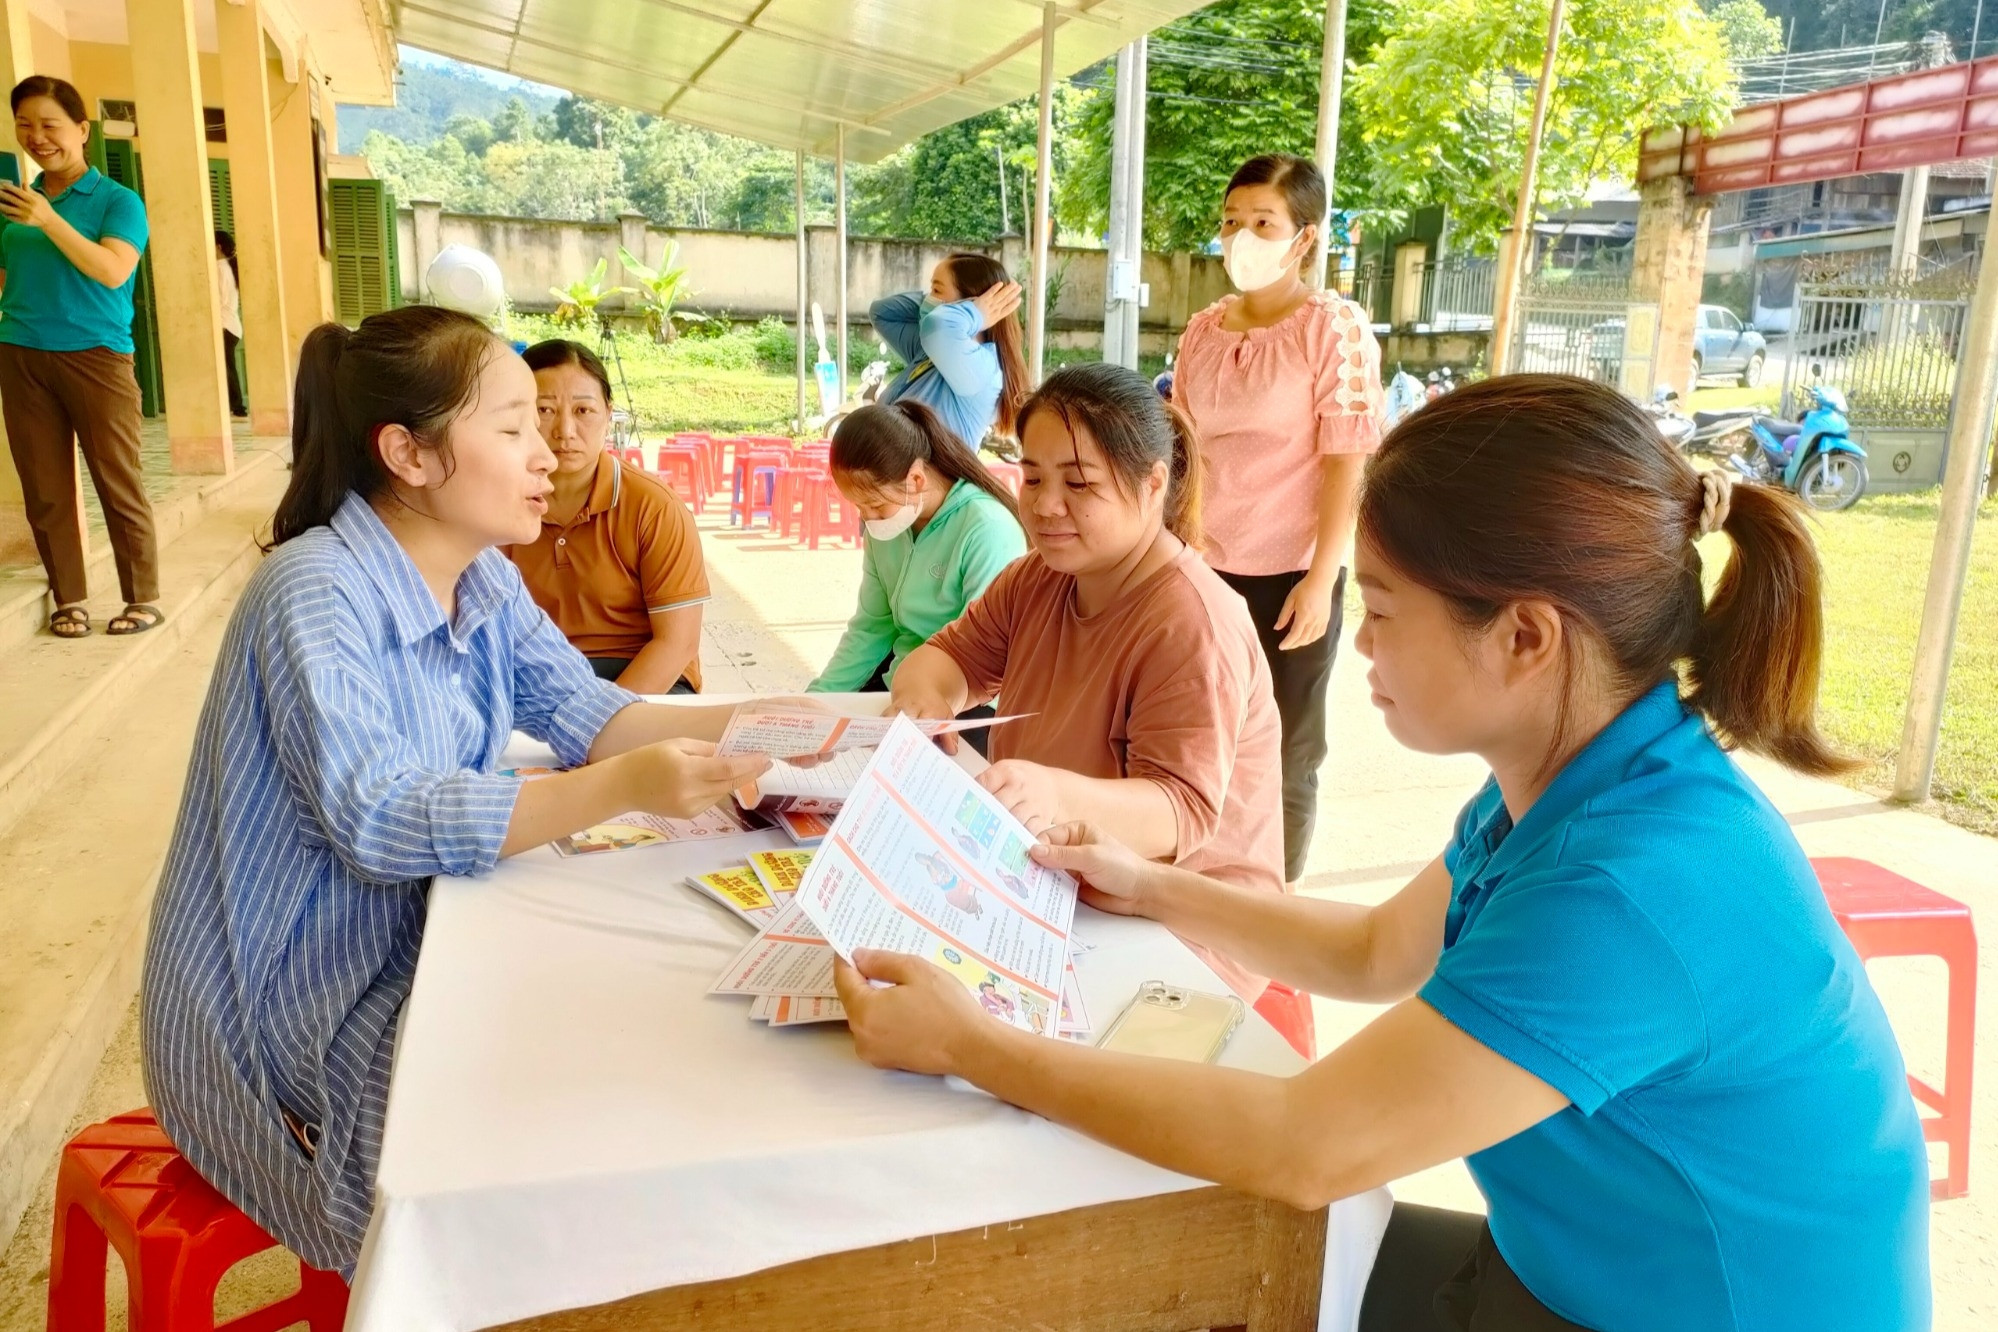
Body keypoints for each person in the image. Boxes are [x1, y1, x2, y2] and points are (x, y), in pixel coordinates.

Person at [835, 375, 1930, 1332]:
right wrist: (1147, 882)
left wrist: (974, 1047)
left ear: (1524, 636)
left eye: (1387, 608)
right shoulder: (1569, 787)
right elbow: (1368, 952)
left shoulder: (1634, 882)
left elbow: (1308, 1144)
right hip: (1577, 1268)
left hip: (1681, 1312)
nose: (1357, 641)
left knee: (1200, 1249)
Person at [140, 306, 773, 1275]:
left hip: (399, 949)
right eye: (515, 428)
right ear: (410, 454)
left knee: (616, 1041)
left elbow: (594, 715)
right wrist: (621, 787)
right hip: (285, 1012)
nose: (548, 458)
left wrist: (807, 723)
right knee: (540, 1133)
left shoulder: (482, 580)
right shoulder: (314, 591)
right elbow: (380, 817)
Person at [889, 361, 1285, 999]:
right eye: (1032, 477)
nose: (1046, 506)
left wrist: (1053, 795)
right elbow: (947, 659)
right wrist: (925, 705)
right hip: (1054, 889)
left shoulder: (1190, 621)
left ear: (1152, 485)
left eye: (1079, 483)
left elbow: (1179, 815)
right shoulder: (1039, 578)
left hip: (1177, 936)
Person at [1172, 154, 1384, 883]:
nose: (1241, 237)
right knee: (1201, 733)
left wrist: (1323, 578)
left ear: (1304, 238)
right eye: (1232, 221)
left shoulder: (1334, 327)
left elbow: (1346, 457)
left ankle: (1271, 897)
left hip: (1292, 573)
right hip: (1203, 568)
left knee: (1289, 748)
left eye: (1263, 222)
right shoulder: (1202, 330)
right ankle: (1198, 880)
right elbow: (1183, 448)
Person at [0, 75, 159, 639]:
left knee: (117, 481)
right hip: (21, 354)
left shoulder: (118, 201)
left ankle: (142, 597)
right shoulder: (13, 201)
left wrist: (47, 218)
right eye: (25, 125)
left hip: (96, 356)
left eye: (49, 125)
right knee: (45, 489)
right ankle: (69, 598)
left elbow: (112, 269)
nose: (37, 137)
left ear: (82, 130)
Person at [809, 399, 1026, 729]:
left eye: (876, 505)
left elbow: (985, 658)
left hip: (968, 703)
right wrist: (817, 700)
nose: (868, 520)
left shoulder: (986, 528)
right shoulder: (886, 531)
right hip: (901, 692)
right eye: (859, 508)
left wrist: (930, 711)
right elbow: (871, 628)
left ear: (916, 480)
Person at [507, 339, 708, 693]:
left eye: (583, 411)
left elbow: (677, 644)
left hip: (646, 680)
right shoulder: (496, 505)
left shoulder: (654, 508)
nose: (565, 431)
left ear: (609, 412)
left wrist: (601, 720)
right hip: (540, 682)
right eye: (544, 410)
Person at [870, 252, 1028, 450]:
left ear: (972, 302)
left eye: (936, 290)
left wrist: (974, 313)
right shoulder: (929, 351)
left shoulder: (982, 369)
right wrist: (935, 304)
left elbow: (937, 326)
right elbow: (881, 313)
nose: (929, 298)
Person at [215, 228, 245, 419]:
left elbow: (218, 299)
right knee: (227, 367)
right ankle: (236, 405)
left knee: (226, 368)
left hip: (225, 325)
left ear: (217, 246)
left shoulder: (220, 268)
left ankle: (238, 406)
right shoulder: (228, 267)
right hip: (231, 325)